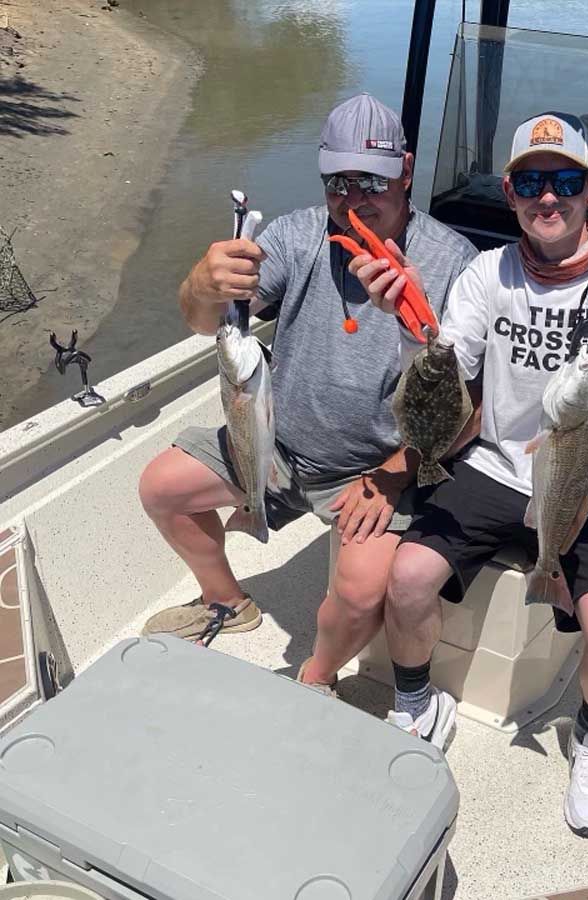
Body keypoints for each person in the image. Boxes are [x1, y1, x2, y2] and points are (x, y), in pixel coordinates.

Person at [350, 111, 588, 836]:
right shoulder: (487, 272)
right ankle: (416, 701)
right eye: (530, 183)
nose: (547, 196)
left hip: (580, 483)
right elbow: (449, 369)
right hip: (494, 467)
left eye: (563, 181)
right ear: (509, 193)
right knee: (407, 579)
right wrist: (409, 323)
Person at [137, 94, 479, 695]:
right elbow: (206, 320)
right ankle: (226, 601)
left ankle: (316, 676)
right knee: (161, 487)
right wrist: (200, 285)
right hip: (273, 446)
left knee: (361, 592)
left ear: (406, 171)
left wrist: (395, 474)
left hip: (372, 469)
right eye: (338, 182)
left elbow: (466, 408)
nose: (354, 198)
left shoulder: (454, 264)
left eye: (371, 180)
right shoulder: (297, 236)